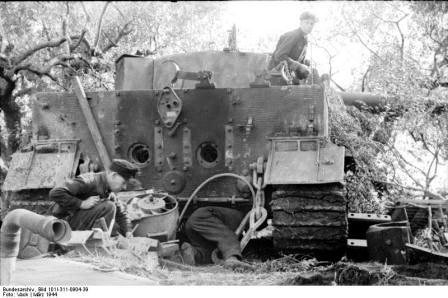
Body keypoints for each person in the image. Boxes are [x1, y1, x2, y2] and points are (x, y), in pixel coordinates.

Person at [49, 159, 139, 238]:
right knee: (108, 206)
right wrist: (81, 204)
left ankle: (101, 239)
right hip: (62, 225)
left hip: (76, 223)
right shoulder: (90, 181)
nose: (125, 187)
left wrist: (128, 231)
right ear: (113, 175)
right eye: (123, 183)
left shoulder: (108, 190)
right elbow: (56, 192)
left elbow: (121, 214)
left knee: (112, 207)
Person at [180, 206, 253, 270]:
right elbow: (227, 236)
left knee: (207, 250)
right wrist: (232, 254)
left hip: (193, 225)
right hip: (201, 217)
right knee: (226, 236)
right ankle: (232, 258)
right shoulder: (241, 217)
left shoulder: (236, 216)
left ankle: (194, 252)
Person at [268, 11, 318, 81]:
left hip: (288, 75)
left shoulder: (304, 39)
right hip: (275, 75)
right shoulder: (293, 35)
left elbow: (298, 61)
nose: (309, 26)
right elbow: (279, 56)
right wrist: (299, 66)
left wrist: (304, 65)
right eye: (306, 22)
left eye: (312, 24)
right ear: (300, 23)